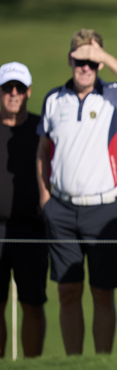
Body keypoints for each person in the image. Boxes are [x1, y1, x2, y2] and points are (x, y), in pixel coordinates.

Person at [36, 29, 117, 355]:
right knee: (67, 290)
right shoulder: (53, 99)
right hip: (60, 208)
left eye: (92, 61)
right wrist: (45, 198)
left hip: (103, 208)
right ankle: (74, 361)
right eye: (80, 60)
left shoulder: (113, 95)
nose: (85, 67)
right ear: (70, 59)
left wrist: (108, 59)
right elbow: (43, 151)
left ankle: (102, 362)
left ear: (99, 64)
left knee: (102, 292)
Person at [0, 62, 47, 358]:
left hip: (33, 228)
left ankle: (32, 364)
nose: (13, 93)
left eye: (19, 88)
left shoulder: (42, 129)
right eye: (7, 88)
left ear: (29, 91)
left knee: (32, 303)